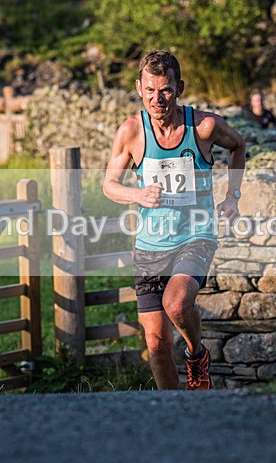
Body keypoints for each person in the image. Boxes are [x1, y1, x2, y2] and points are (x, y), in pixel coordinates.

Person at [103, 50, 246, 390]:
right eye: (150, 90)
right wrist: (137, 195)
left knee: (177, 303)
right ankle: (171, 410)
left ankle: (196, 355)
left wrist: (232, 196)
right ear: (139, 88)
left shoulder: (204, 126)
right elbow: (109, 184)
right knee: (156, 344)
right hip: (149, 247)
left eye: (165, 89)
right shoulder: (131, 132)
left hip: (195, 236)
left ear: (179, 87)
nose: (158, 98)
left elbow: (238, 146)